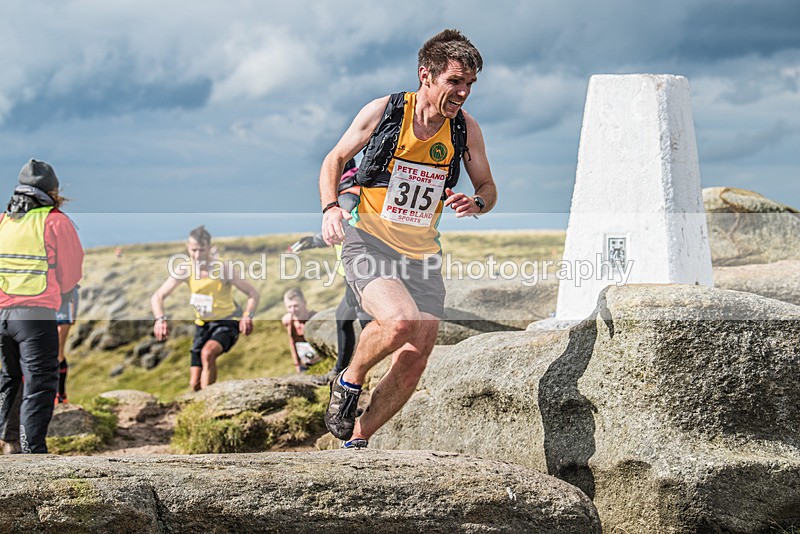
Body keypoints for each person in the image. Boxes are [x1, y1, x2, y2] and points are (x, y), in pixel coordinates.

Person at [319, 29, 497, 449]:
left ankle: (356, 441)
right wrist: (331, 209)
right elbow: (335, 158)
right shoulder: (385, 111)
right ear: (427, 75)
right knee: (399, 321)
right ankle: (349, 379)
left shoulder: (464, 131)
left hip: (422, 256)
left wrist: (477, 203)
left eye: (470, 84)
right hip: (369, 242)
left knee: (415, 360)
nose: (463, 92)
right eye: (455, 81)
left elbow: (488, 186)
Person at [0, 159, 84, 454]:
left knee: (10, 378)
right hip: (35, 315)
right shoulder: (55, 221)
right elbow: (72, 274)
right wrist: (59, 293)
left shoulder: (3, 221)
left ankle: (9, 444)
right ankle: (32, 451)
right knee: (40, 382)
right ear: (52, 191)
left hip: (1, 316)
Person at [288, 159, 372, 384]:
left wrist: (314, 240)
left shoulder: (346, 196)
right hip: (358, 272)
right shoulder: (360, 190)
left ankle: (366, 376)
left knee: (367, 324)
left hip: (360, 273)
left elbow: (336, 228)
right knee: (344, 318)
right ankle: (341, 371)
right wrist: (312, 241)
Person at [151, 225, 259, 391]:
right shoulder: (186, 269)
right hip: (202, 326)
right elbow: (158, 296)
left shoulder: (223, 269)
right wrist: (160, 319)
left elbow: (252, 293)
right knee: (194, 384)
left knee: (207, 354)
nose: (197, 255)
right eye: (193, 250)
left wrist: (247, 315)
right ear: (187, 248)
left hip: (227, 322)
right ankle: (200, 403)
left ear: (209, 248)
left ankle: (209, 404)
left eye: (201, 250)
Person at [281, 288, 322, 373]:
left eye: (296, 305)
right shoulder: (288, 321)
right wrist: (297, 365)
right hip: (303, 365)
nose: (293, 310)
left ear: (304, 303)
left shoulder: (317, 319)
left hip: (322, 363)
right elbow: (292, 343)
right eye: (289, 307)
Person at [55, 285, 79, 404]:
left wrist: (74, 312)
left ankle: (60, 393)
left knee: (58, 353)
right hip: (43, 302)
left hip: (64, 304)